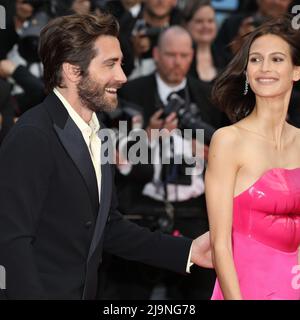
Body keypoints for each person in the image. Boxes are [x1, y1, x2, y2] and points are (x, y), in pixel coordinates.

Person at [0, 12, 212, 300]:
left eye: (121, 64)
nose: (122, 77)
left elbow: (107, 225)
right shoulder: (33, 134)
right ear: (73, 71)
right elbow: (11, 241)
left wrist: (187, 251)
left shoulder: (97, 132)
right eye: (110, 64)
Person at [206, 15, 300, 300]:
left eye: (276, 59)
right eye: (256, 60)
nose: (264, 68)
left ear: (296, 70)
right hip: (246, 289)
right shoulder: (228, 141)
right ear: (246, 72)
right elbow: (220, 244)